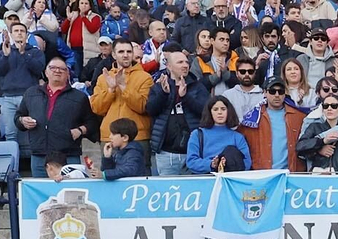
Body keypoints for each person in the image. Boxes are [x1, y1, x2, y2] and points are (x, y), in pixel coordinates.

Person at [16, 58, 91, 177]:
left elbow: (91, 123)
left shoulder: (79, 97)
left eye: (62, 69)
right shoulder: (31, 93)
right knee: (41, 194)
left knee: (69, 193)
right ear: (46, 72)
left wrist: (80, 130)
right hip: (39, 155)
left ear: (67, 74)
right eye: (53, 68)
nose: (57, 71)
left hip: (68, 156)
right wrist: (22, 121)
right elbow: (18, 117)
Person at [89, 39, 153, 169]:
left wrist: (123, 87)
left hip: (138, 137)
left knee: (140, 176)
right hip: (110, 136)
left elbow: (142, 106)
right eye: (121, 51)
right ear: (113, 54)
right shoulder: (103, 78)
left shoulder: (145, 77)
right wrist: (111, 90)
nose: (125, 55)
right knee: (109, 178)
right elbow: (96, 108)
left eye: (129, 51)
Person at [145, 46, 207, 177]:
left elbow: (205, 112)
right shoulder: (159, 86)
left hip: (193, 153)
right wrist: (164, 93)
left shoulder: (197, 86)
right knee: (167, 192)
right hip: (166, 153)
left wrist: (186, 97)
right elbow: (151, 110)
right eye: (180, 62)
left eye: (186, 62)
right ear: (169, 66)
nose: (185, 65)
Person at [239, 78, 306, 172]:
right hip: (262, 175)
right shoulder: (253, 118)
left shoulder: (299, 116)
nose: (277, 95)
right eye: (272, 91)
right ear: (265, 93)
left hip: (291, 174)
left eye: (281, 91)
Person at [296, 92, 338, 174]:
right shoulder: (314, 127)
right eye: (326, 106)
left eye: (334, 106)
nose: (329, 108)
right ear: (323, 110)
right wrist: (321, 144)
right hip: (318, 177)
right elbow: (300, 147)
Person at [185, 95, 250, 174]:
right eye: (215, 109)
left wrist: (228, 164)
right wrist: (211, 164)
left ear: (229, 111)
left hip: (230, 180)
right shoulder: (197, 134)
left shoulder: (238, 137)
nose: (219, 112)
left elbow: (247, 163)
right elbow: (191, 162)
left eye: (223, 109)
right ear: (210, 112)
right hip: (205, 181)